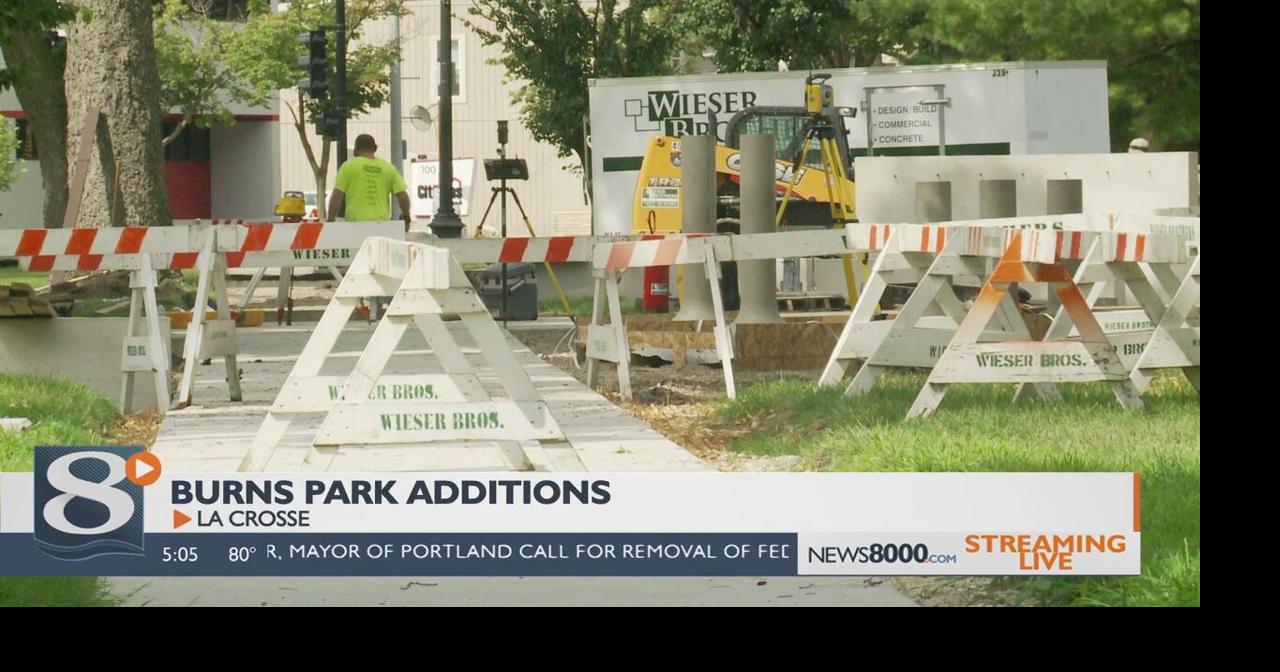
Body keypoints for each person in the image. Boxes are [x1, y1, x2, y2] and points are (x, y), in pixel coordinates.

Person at [328, 134, 412, 231]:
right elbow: (403, 197)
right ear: (375, 148)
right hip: (382, 226)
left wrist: (330, 220)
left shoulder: (348, 167)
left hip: (355, 227)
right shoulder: (389, 168)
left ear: (355, 151)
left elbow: (337, 196)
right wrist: (406, 215)